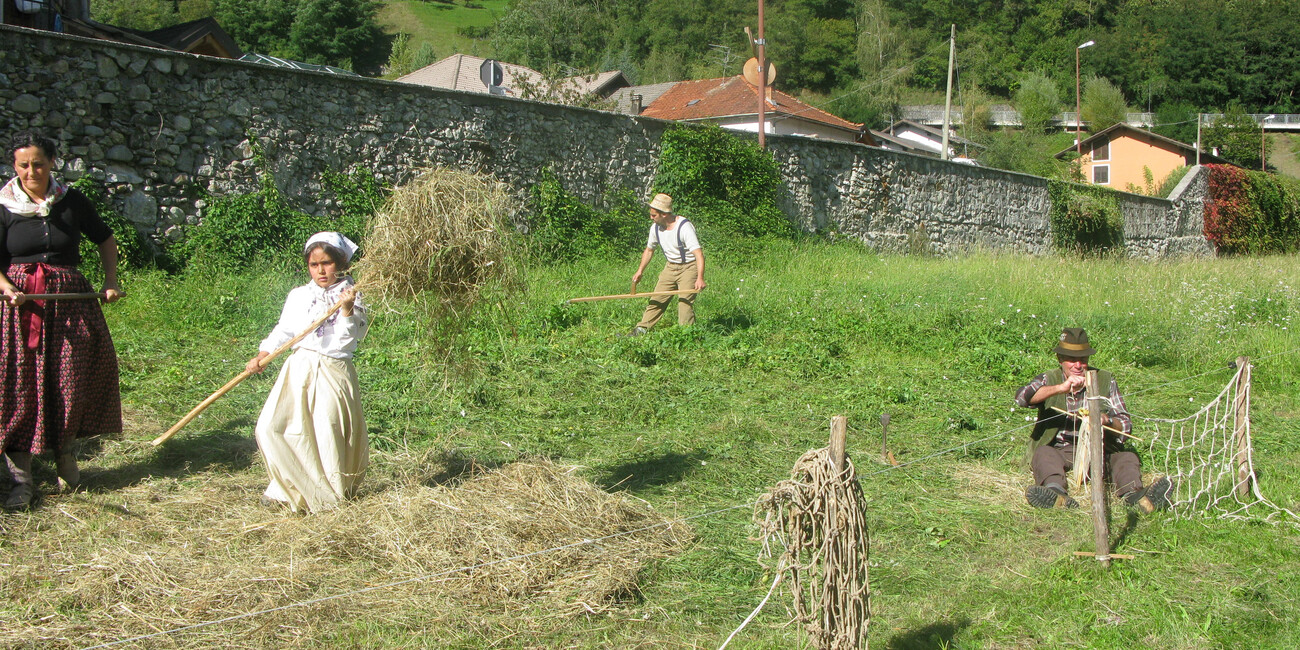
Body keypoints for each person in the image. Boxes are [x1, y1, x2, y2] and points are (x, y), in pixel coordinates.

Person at [0, 130, 123, 511]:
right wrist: (6, 287)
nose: (31, 171)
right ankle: (21, 478)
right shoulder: (3, 205)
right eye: (24, 164)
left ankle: (65, 454)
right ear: (14, 166)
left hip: (69, 303)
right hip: (19, 307)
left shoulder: (71, 202)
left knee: (69, 378)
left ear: (53, 162)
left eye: (39, 163)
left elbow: (105, 238)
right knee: (19, 384)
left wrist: (110, 281)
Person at [246, 232, 369, 514]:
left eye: (326, 263)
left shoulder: (353, 295)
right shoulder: (299, 295)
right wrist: (264, 354)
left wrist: (347, 310)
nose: (321, 271)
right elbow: (285, 330)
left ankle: (327, 496)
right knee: (272, 427)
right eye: (314, 265)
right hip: (298, 368)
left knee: (326, 433)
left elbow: (347, 341)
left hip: (332, 370)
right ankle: (286, 487)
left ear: (340, 264)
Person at [1014, 327, 1169, 513]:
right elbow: (1022, 398)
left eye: (1083, 359)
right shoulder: (1050, 378)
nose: (1078, 365)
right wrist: (1061, 388)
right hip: (1061, 448)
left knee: (1127, 458)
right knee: (1044, 454)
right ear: (1060, 360)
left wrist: (1107, 421)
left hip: (1100, 449)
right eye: (1071, 360)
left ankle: (1135, 496)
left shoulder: (1104, 379)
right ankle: (1055, 493)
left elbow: (1126, 425)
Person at [628, 193, 706, 335]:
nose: (651, 218)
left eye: (653, 215)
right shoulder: (655, 228)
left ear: (664, 214)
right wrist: (640, 271)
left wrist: (700, 278)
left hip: (689, 267)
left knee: (685, 304)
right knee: (657, 298)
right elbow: (649, 250)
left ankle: (686, 336)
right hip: (670, 267)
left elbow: (698, 254)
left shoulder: (684, 227)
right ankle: (641, 330)